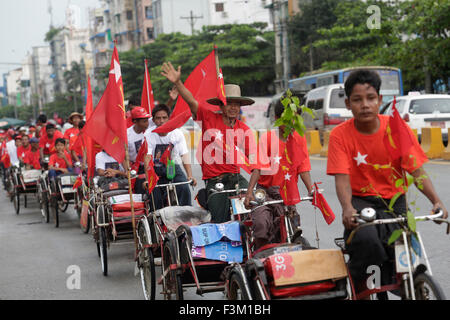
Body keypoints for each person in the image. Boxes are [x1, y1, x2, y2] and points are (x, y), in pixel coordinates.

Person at [326, 69, 448, 296]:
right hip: (362, 204)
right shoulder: (339, 136)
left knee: (407, 255)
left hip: (395, 203)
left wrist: (437, 201)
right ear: (347, 104)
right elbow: (342, 179)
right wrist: (347, 208)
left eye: (371, 98)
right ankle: (357, 284)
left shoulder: (396, 128)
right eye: (357, 99)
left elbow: (417, 172)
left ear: (379, 100)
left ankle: (411, 286)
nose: (365, 105)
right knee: (369, 243)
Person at [161, 62, 256, 223]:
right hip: (215, 180)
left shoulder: (244, 129)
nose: (233, 107)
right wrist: (177, 83)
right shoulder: (209, 117)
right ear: (221, 105)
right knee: (220, 219)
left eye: (236, 104)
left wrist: (251, 190)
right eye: (229, 103)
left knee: (255, 208)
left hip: (236, 178)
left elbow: (254, 161)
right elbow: (191, 101)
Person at [244, 98, 313, 250]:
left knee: (293, 228)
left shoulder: (299, 139)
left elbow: (303, 168)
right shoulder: (267, 138)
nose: (291, 123)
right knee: (262, 225)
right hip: (265, 193)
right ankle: (261, 256)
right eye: (287, 119)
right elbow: (257, 168)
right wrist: (249, 192)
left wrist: (311, 190)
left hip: (288, 194)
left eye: (295, 119)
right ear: (277, 118)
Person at [143, 104, 196, 210]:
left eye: (164, 118)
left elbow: (184, 155)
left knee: (184, 188)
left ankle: (186, 214)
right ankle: (157, 218)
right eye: (158, 118)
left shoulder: (177, 133)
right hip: (156, 169)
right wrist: (148, 179)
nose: (161, 121)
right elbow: (147, 158)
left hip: (173, 167)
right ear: (153, 120)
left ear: (169, 118)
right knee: (154, 194)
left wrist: (189, 175)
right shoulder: (148, 134)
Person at [128, 107, 150, 193]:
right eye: (144, 121)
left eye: (147, 120)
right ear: (135, 122)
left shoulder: (150, 130)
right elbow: (123, 157)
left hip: (150, 164)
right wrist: (128, 171)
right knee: (141, 186)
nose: (147, 123)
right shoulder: (127, 135)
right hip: (136, 168)